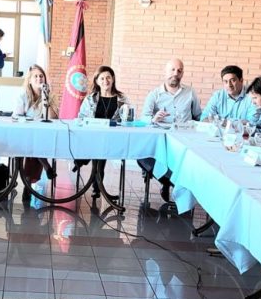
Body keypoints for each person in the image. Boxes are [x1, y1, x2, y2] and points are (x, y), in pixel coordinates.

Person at [139, 58, 200, 202]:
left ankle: (173, 183)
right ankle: (167, 181)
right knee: (143, 156)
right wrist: (153, 119)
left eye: (179, 70)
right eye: (172, 70)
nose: (175, 73)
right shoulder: (154, 94)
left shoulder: (190, 92)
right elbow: (143, 117)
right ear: (165, 72)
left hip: (184, 140)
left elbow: (198, 116)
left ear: (182, 74)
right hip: (161, 140)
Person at [77, 66, 129, 199]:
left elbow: (128, 119)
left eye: (108, 78)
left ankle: (84, 161)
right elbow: (81, 117)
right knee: (99, 155)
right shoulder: (90, 99)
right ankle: (97, 187)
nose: (105, 81)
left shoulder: (122, 99)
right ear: (97, 81)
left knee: (99, 154)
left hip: (113, 138)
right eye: (102, 78)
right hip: (93, 137)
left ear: (113, 79)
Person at [14, 64, 57, 201]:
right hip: (25, 133)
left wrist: (45, 98)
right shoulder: (23, 95)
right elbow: (17, 116)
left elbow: (53, 118)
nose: (39, 79)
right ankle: (46, 166)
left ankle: (28, 182)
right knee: (33, 142)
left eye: (41, 76)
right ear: (30, 80)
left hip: (44, 135)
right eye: (36, 76)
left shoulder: (50, 95)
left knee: (37, 142)